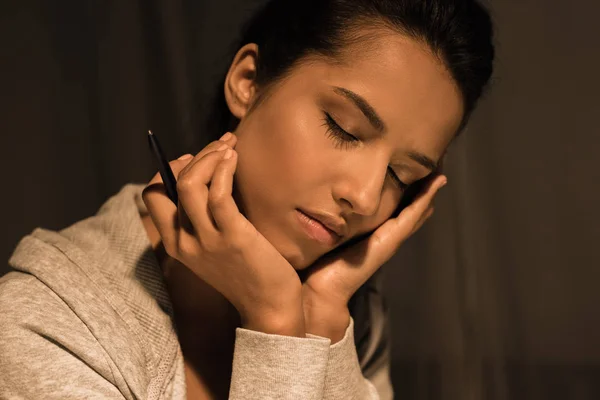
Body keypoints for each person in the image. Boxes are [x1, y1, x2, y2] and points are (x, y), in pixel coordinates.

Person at [0, 0, 495, 398]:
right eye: (342, 128)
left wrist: (320, 320)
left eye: (401, 174)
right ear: (248, 83)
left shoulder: (347, 310)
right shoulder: (43, 327)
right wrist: (278, 324)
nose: (365, 198)